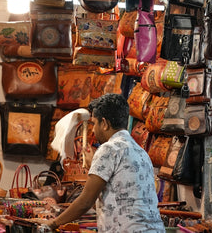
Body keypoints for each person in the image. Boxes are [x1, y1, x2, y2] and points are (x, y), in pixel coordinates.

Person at [45, 93, 165, 233]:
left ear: (105, 123)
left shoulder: (109, 148)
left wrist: (53, 223)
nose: (94, 130)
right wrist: (93, 168)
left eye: (95, 123)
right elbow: (111, 200)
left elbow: (85, 202)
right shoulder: (141, 152)